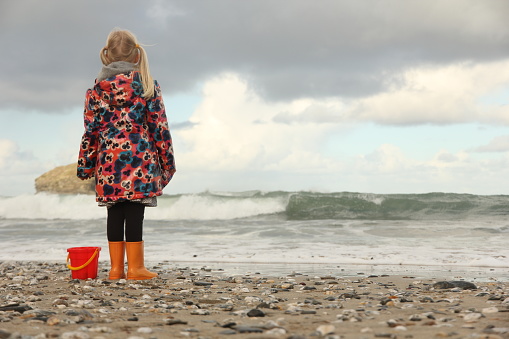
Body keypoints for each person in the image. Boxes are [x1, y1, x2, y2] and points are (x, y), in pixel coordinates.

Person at [77, 29, 176, 280]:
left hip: (108, 163)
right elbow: (159, 128)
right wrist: (168, 162)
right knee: (134, 211)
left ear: (107, 56)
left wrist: (86, 165)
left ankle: (115, 269)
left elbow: (91, 132)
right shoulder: (147, 87)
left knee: (114, 212)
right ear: (136, 57)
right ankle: (136, 268)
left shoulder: (95, 91)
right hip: (140, 160)